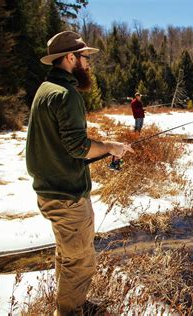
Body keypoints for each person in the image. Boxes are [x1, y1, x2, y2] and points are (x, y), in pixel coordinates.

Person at [26, 31, 134, 315]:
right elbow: (77, 147)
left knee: (67, 253)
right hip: (66, 194)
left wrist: (103, 148)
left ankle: (71, 304)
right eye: (85, 58)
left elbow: (61, 145)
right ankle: (71, 311)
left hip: (50, 189)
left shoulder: (46, 88)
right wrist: (110, 146)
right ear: (71, 58)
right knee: (80, 258)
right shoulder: (65, 94)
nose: (89, 64)